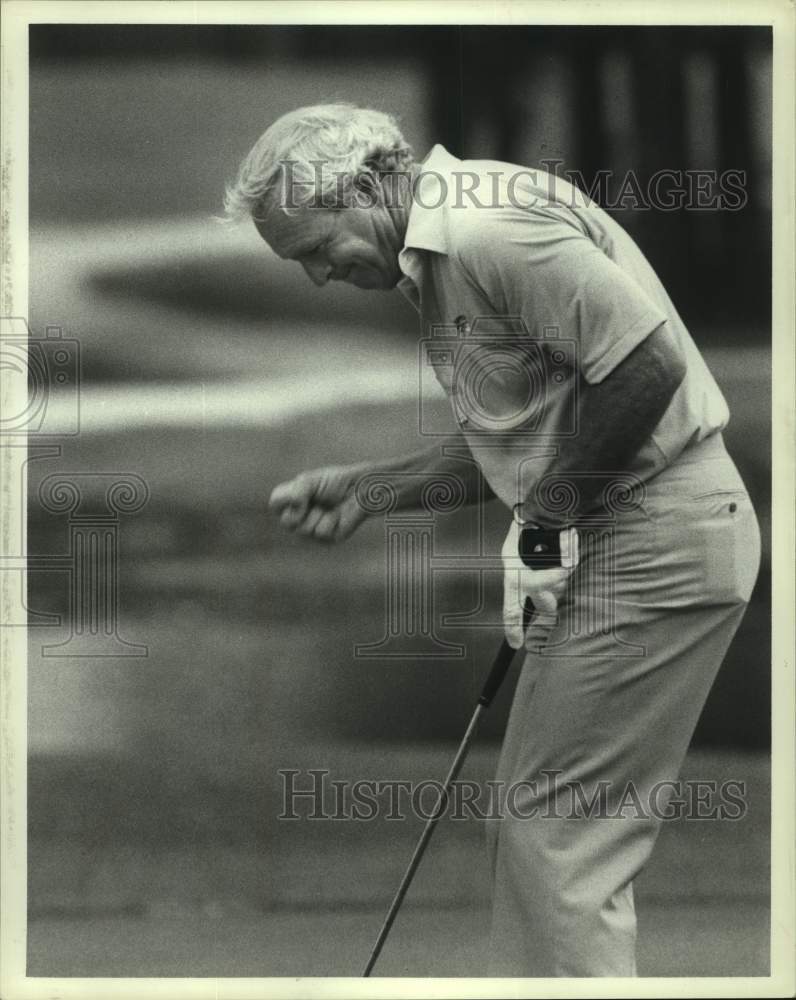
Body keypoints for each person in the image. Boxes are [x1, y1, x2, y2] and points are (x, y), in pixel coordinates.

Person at [224, 104, 760, 977]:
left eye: (318, 249)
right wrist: (375, 487)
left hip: (661, 534)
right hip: (643, 530)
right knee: (545, 824)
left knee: (556, 834)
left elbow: (648, 369)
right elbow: (536, 429)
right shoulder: (448, 244)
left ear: (364, 184)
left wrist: (545, 522)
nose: (321, 276)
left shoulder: (486, 229)